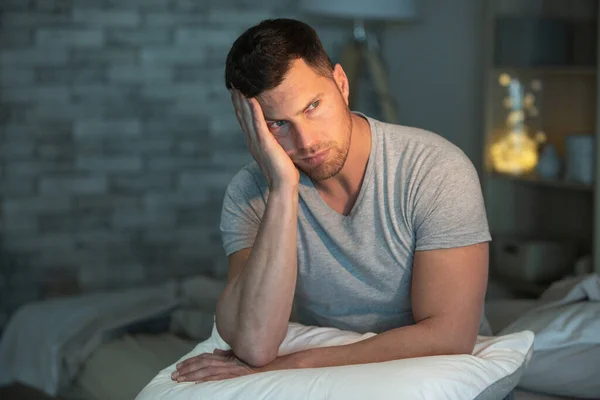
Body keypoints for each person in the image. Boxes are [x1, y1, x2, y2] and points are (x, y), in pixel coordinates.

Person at [171, 18, 492, 384]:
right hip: (338, 381)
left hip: (443, 379)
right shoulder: (252, 192)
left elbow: (449, 337)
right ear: (253, 129)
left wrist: (297, 364)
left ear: (341, 83)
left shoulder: (435, 170)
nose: (305, 141)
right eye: (278, 124)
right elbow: (255, 345)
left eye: (312, 106)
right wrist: (283, 188)